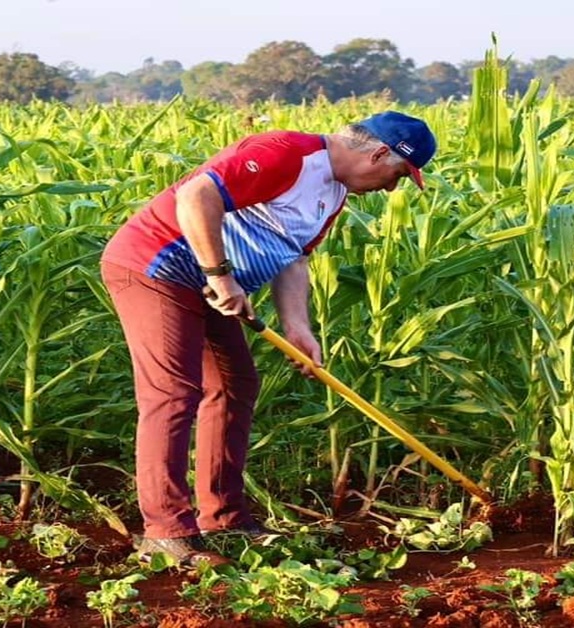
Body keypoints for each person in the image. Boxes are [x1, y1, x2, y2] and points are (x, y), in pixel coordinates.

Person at [100, 111, 436, 565]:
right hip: (156, 267)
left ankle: (225, 519)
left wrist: (297, 326)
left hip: (209, 286)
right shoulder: (288, 154)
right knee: (173, 393)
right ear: (378, 152)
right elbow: (196, 195)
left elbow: (294, 258)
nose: (392, 187)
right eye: (397, 174)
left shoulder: (334, 193)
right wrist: (220, 277)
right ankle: (166, 534)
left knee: (235, 383)